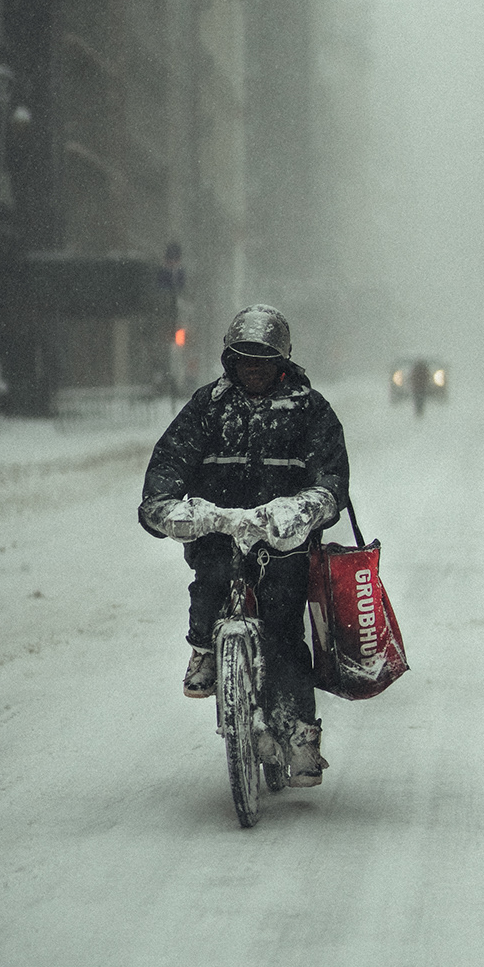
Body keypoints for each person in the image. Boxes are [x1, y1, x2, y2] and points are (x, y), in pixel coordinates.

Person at [137, 304, 349, 788]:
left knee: (282, 630)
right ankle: (204, 650)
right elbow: (169, 461)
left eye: (264, 361)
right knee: (209, 579)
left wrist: (307, 507)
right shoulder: (206, 407)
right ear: (230, 362)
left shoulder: (309, 409)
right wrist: (164, 504)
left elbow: (332, 477)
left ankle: (299, 733)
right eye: (245, 360)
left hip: (285, 543)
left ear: (282, 363)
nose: (254, 369)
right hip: (217, 535)